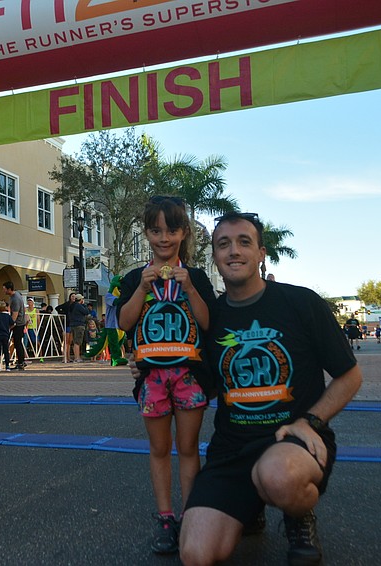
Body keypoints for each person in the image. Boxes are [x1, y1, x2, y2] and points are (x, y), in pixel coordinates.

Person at [178, 211, 362, 566]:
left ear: (261, 253)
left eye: (244, 242)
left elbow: (350, 376)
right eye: (223, 244)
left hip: (291, 441)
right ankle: (249, 506)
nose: (234, 251)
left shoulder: (301, 302)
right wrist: (151, 368)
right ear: (215, 256)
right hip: (232, 449)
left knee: (278, 477)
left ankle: (298, 515)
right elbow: (208, 386)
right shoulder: (210, 317)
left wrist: (310, 421)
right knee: (196, 554)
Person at [116, 196, 216, 555]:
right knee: (159, 449)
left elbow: (208, 322)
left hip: (189, 375)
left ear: (184, 233)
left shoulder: (197, 277)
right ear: (146, 233)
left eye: (172, 231)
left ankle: (190, 514)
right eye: (156, 231)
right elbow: (124, 322)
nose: (164, 238)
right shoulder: (135, 278)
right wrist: (143, 288)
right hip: (152, 377)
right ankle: (164, 516)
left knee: (188, 448)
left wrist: (189, 288)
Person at [2, 281, 27, 370]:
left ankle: (21, 362)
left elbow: (15, 314)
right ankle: (21, 361)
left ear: (9, 289)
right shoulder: (16, 295)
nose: (3, 291)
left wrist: (11, 324)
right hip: (20, 322)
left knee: (17, 343)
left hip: (18, 324)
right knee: (17, 343)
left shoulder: (15, 298)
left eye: (4, 289)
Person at [67, 294, 90, 363]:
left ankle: (76, 357)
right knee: (78, 342)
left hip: (73, 324)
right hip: (79, 325)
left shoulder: (72, 305)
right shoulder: (79, 306)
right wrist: (84, 305)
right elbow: (86, 312)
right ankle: (77, 358)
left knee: (75, 342)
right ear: (81, 300)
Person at [55, 292, 76, 363]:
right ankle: (64, 357)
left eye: (74, 296)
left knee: (70, 342)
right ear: (70, 297)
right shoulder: (67, 304)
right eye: (72, 296)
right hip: (67, 323)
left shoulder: (75, 305)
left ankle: (68, 357)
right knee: (65, 341)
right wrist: (63, 313)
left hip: (72, 324)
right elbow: (57, 308)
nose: (73, 298)